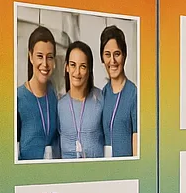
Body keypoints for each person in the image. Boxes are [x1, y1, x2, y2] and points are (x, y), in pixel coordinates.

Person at [16, 25, 60, 161]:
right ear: (30, 57)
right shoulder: (18, 98)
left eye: (50, 57)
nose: (45, 64)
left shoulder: (54, 97)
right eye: (40, 56)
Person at [57, 40, 104, 159]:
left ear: (89, 70)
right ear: (66, 67)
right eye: (73, 65)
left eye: (83, 66)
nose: (77, 72)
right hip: (68, 174)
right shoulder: (60, 105)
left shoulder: (101, 99)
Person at [99, 25, 138, 159]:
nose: (112, 61)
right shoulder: (102, 94)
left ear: (124, 55)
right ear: (102, 58)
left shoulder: (134, 94)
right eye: (107, 55)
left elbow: (137, 143)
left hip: (127, 173)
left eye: (117, 54)